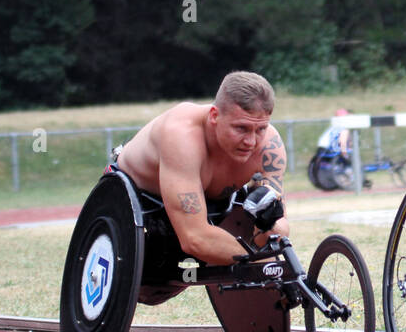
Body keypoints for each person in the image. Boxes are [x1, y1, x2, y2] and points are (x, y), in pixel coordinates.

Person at [112, 71, 288, 265]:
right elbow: (194, 239)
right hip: (137, 199)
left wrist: (269, 223)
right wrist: (259, 264)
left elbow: (279, 231)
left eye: (260, 129)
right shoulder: (181, 136)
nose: (251, 141)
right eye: (241, 128)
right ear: (214, 115)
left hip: (213, 204)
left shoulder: (270, 147)